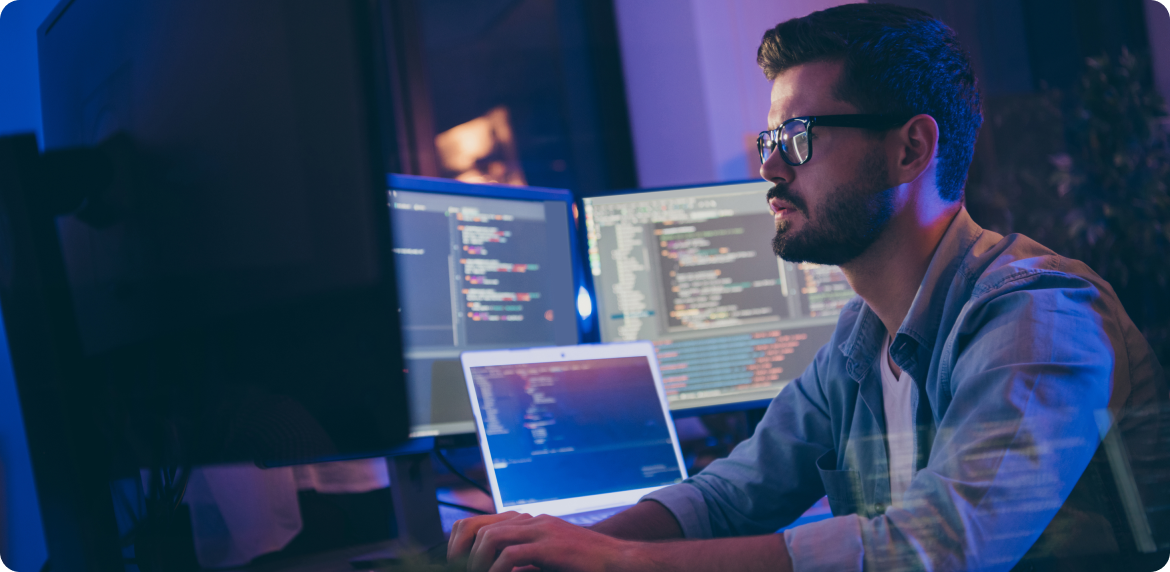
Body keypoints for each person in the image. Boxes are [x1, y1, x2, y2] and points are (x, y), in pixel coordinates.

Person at [446, 4, 1168, 571]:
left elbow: (941, 551)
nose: (768, 169)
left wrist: (620, 562)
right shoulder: (860, 343)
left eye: (796, 137)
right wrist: (560, 550)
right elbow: (730, 497)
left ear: (910, 148)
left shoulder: (1039, 318)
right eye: (768, 142)